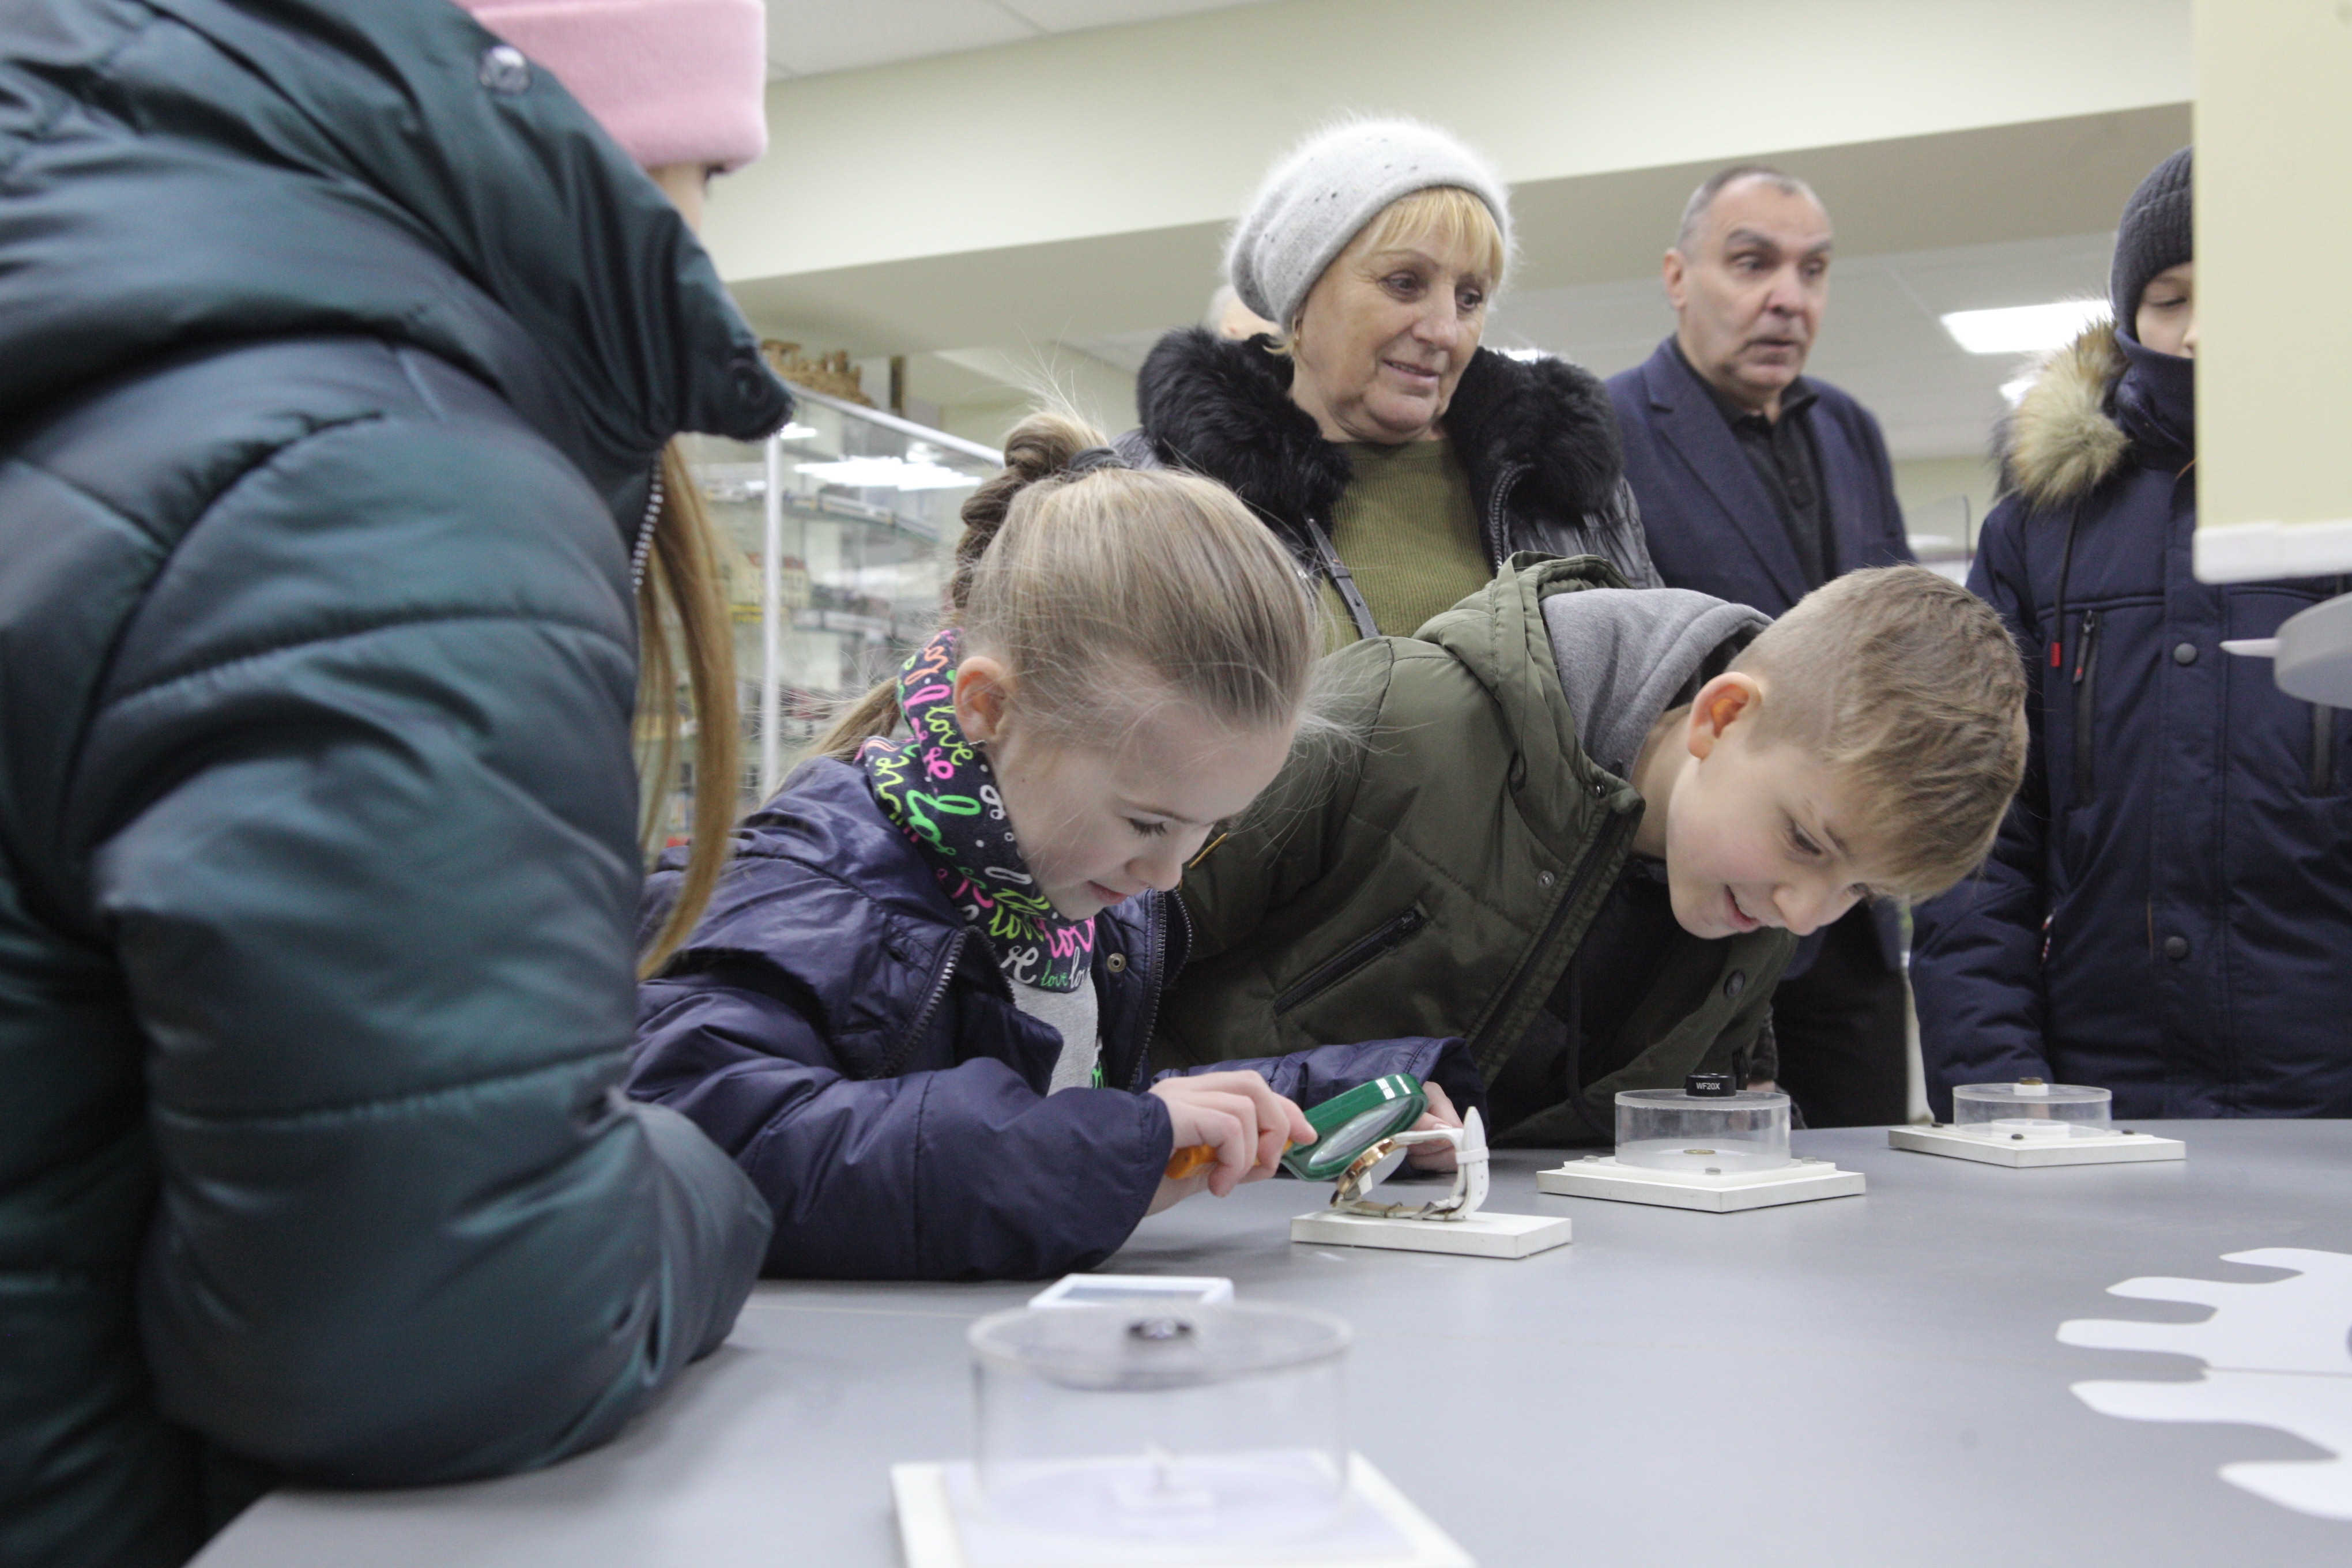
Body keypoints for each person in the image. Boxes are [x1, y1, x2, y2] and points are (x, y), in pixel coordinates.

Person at [0, 2, 786, 1562]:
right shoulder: (387, 495)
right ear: (635, 142)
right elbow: (440, 1335)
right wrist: (706, 1180)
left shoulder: (145, 371)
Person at [627, 415, 1484, 1280]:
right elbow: (707, 1137)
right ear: (990, 708)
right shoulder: (805, 890)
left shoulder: (1064, 899)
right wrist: (1119, 1147)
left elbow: (1057, 1114)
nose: (1168, 875)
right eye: (1149, 823)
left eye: (1208, 830)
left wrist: (1327, 1102)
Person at [1155, 563, 2028, 1146]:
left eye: (1859, 892)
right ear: (1723, 717)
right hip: (1209, 1237)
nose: (1804, 915)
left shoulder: (1747, 898)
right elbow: (1109, 957)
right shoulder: (1398, 720)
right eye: (1805, 841)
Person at [1910, 149, 2352, 1120]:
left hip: (2326, 1097)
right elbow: (1974, 834)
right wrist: (1997, 1086)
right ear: (2129, 315)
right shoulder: (2041, 526)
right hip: (2099, 1101)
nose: (2199, 332)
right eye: (2168, 297)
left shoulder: (2339, 515)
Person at [1606, 165, 1917, 1127]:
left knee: (1865, 1195)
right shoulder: (1611, 429)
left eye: (1813, 271)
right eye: (1753, 264)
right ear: (1678, 276)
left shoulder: (1849, 431)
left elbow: (1901, 637)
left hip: (1849, 920)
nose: (1788, 296)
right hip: (1706, 916)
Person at [1116, 118, 1658, 651]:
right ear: (1302, 297)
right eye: (1404, 284)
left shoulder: (1558, 484)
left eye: (1470, 298)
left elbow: (1657, 698)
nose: (1444, 330)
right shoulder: (1157, 489)